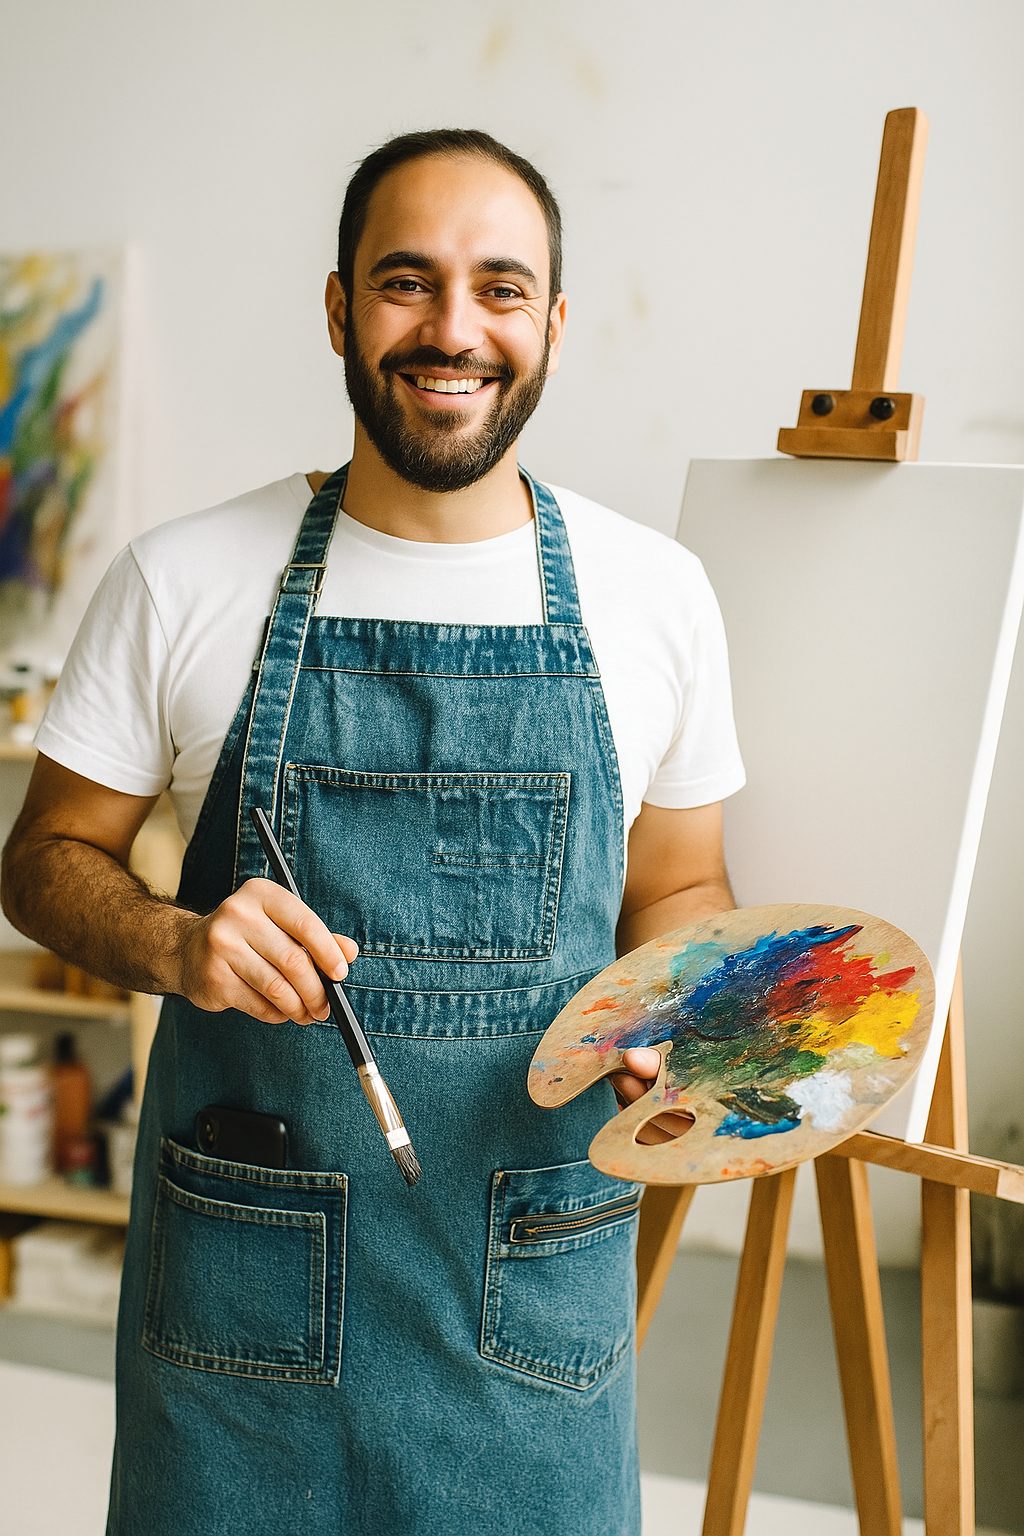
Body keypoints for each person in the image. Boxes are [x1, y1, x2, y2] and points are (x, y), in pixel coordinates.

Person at [2, 129, 744, 1536]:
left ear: (554, 325)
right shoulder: (185, 579)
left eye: (500, 288)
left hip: (533, 1307)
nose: (453, 330)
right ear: (339, 307)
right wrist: (179, 938)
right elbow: (42, 861)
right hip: (241, 1307)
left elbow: (682, 883)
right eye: (406, 282)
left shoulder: (660, 596)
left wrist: (671, 1007)